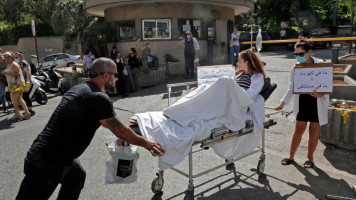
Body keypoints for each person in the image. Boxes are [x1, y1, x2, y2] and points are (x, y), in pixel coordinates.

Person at [15, 57, 165, 200]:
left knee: (76, 178)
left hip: (59, 155)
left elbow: (113, 125)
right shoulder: (98, 97)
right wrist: (146, 143)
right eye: (115, 75)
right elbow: (118, 129)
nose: (117, 78)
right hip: (47, 162)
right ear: (106, 75)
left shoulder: (80, 89)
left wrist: (131, 132)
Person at [274, 37, 329, 168]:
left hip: (317, 101)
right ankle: (291, 155)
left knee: (314, 129)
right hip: (303, 100)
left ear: (309, 52)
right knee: (299, 128)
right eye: (296, 54)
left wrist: (320, 94)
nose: (298, 57)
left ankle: (310, 158)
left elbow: (327, 86)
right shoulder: (295, 68)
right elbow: (291, 88)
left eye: (300, 54)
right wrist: (283, 103)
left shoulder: (321, 64)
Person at [1, 51, 31, 120]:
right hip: (14, 85)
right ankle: (26, 113)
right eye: (5, 57)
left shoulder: (13, 64)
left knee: (14, 101)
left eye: (8, 57)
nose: (7, 59)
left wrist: (6, 73)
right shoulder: (10, 64)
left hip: (15, 85)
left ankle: (18, 114)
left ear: (12, 57)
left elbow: (18, 74)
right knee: (20, 99)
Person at [15, 52, 35, 116]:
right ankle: (28, 109)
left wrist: (28, 81)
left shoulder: (24, 63)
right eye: (15, 57)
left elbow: (28, 71)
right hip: (22, 82)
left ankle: (30, 110)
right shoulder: (18, 63)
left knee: (26, 96)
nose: (16, 58)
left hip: (26, 82)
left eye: (17, 57)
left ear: (21, 57)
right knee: (24, 96)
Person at [0, 48, 7, 112]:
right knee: (2, 94)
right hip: (1, 80)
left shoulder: (6, 60)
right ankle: (4, 107)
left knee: (13, 92)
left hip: (9, 79)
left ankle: (15, 104)